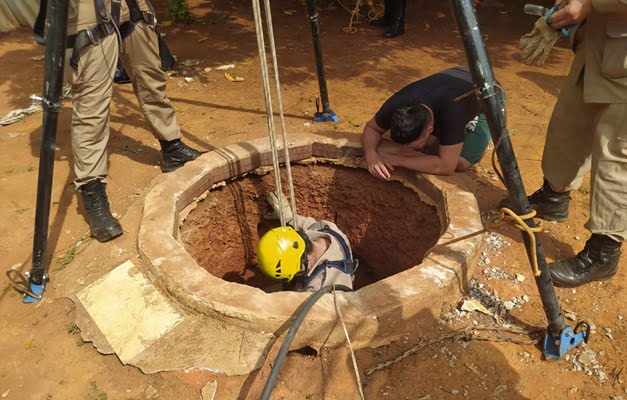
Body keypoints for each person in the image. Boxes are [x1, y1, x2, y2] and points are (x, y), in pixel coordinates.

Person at [500, 0, 626, 288]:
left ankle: (604, 251)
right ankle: (554, 197)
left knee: (617, 154)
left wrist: (590, 5)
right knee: (568, 126)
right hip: (598, 45)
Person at [59, 0, 204, 243]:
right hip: (88, 9)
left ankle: (172, 148)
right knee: (91, 105)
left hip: (131, 4)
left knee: (151, 79)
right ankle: (92, 190)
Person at [361, 66, 492, 180]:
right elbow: (372, 128)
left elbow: (447, 167)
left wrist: (397, 161)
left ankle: (484, 136)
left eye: (411, 146)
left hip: (485, 96)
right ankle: (432, 141)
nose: (405, 149)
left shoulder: (453, 112)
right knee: (427, 147)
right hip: (453, 81)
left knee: (461, 163)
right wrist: (371, 155)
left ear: (429, 129)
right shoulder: (399, 103)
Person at [257, 192, 357, 292]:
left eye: (296, 273)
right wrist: (289, 217)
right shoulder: (328, 230)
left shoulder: (321, 288)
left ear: (308, 260)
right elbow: (309, 225)